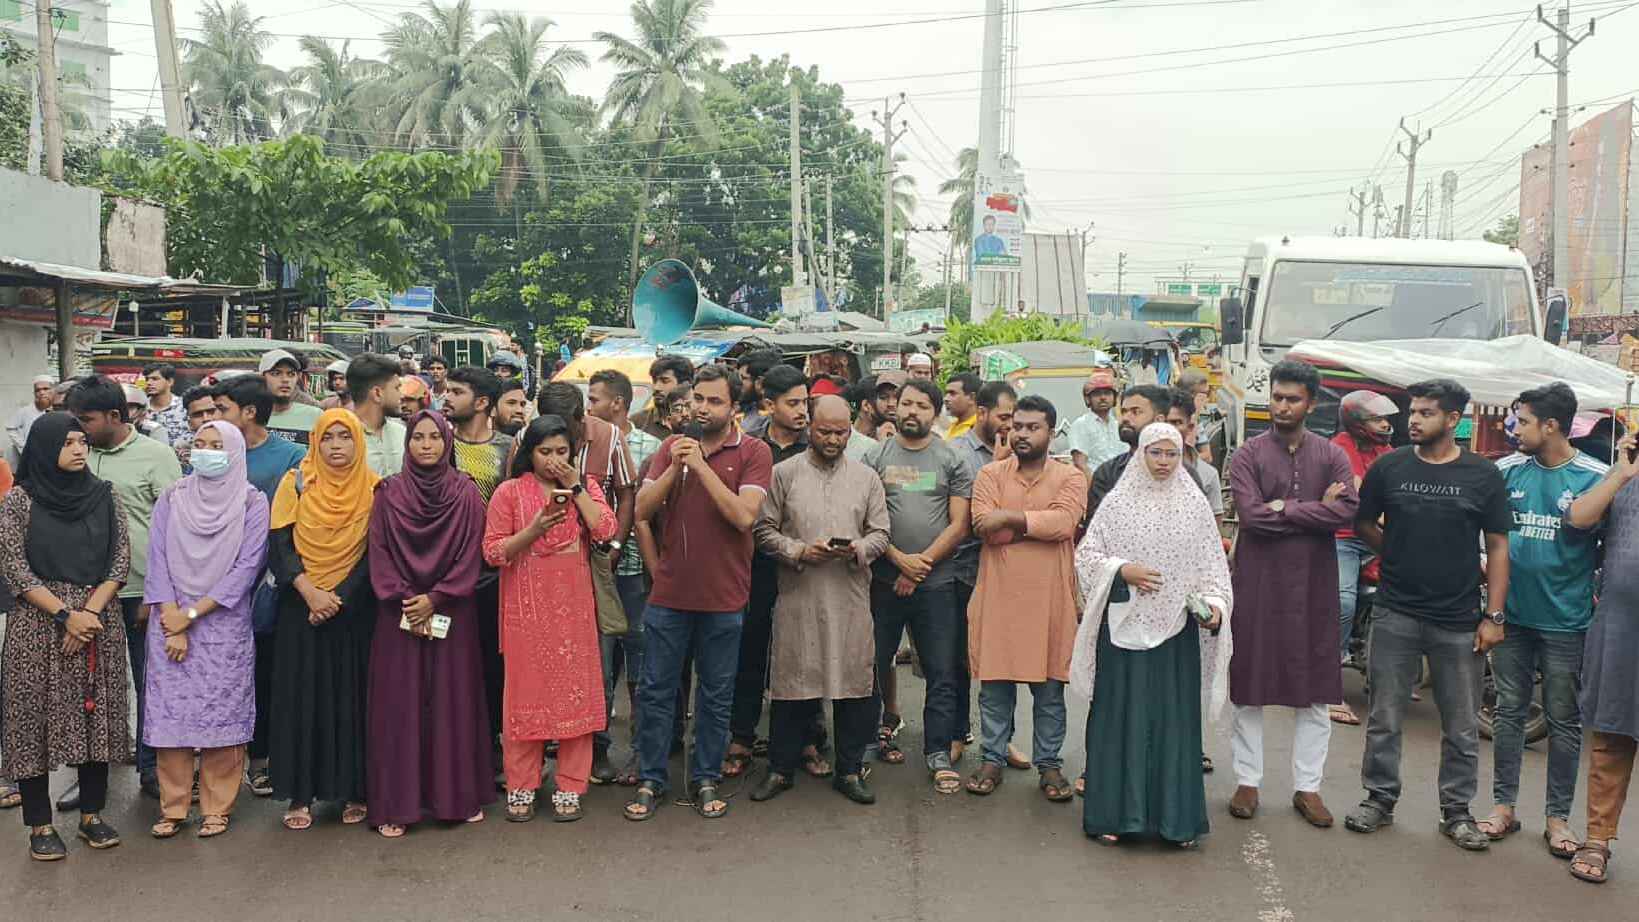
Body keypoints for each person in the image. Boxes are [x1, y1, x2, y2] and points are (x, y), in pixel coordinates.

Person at [1345, 379, 1511, 852]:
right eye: (1411, 411)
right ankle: (1379, 799)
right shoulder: (1390, 467)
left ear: (1453, 419)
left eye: (1424, 413)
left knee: (1460, 725)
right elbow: (1362, 522)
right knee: (1384, 716)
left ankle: (1456, 813)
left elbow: (1498, 547)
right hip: (1396, 610)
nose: (1412, 420)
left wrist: (1494, 616)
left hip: (1459, 619)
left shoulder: (1483, 475)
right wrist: (1393, 552)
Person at [1072, 422, 1231, 847]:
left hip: (1176, 634)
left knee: (1173, 724)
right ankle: (1113, 815)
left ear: (1182, 456)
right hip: (1122, 629)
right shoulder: (1118, 503)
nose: (1163, 462)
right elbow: (1086, 556)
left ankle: (1175, 822)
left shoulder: (1194, 507)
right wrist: (1122, 570)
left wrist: (1213, 608)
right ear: (1140, 453)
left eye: (1171, 454)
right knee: (1118, 719)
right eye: (1155, 453)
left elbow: (1213, 568)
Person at [627, 364, 773, 822]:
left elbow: (743, 517)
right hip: (669, 595)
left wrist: (702, 468)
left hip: (725, 597)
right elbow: (643, 512)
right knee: (656, 690)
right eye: (699, 400)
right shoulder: (671, 448)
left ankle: (706, 776)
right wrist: (675, 467)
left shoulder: (754, 452)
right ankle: (652, 777)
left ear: (734, 408)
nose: (703, 409)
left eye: (715, 401)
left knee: (715, 694)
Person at [1225, 360, 1357, 829]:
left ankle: (1309, 787)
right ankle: (1247, 780)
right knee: (1250, 687)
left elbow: (1345, 512)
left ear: (1311, 403)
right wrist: (1312, 509)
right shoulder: (1248, 454)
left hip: (1313, 587)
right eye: (1277, 397)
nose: (1282, 407)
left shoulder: (1332, 455)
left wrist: (1285, 506)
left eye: (1292, 399)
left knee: (1315, 692)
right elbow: (1251, 517)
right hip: (1259, 583)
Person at [1483, 383, 1611, 856]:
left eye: (1524, 420)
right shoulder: (1506, 471)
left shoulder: (1596, 477)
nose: (1514, 428)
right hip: (1511, 617)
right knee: (1509, 712)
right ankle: (1503, 807)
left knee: (1564, 721)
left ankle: (1558, 818)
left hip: (1567, 622)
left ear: (1552, 425)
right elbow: (1488, 533)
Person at [0, 413, 131, 860]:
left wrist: (87, 614)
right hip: (38, 625)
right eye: (68, 442)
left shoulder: (104, 495)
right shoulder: (19, 501)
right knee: (32, 721)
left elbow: (119, 560)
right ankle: (39, 824)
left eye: (82, 441)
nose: (79, 449)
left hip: (97, 619)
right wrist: (64, 616)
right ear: (43, 448)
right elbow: (15, 568)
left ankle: (91, 815)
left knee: (94, 716)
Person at [750, 394, 891, 805]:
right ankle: (780, 769)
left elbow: (881, 532)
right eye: (825, 431)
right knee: (793, 685)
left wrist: (859, 549)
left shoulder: (867, 478)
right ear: (809, 427)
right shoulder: (784, 474)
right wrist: (798, 551)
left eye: (841, 432)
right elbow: (763, 530)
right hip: (799, 594)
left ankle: (848, 771)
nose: (832, 440)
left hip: (849, 596)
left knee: (852, 686)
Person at [366, 411, 493, 837]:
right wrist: (408, 600)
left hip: (451, 613)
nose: (425, 445)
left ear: (447, 442)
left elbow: (471, 556)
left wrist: (436, 598)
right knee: (399, 708)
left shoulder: (466, 493)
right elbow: (379, 552)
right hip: (397, 612)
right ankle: (397, 805)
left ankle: (454, 798)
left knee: (451, 705)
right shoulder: (388, 494)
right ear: (407, 444)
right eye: (417, 437)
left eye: (434, 437)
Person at [484, 415, 616, 822]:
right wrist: (534, 529)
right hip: (526, 610)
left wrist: (577, 489)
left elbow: (607, 530)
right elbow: (493, 552)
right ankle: (522, 783)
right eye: (545, 452)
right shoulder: (509, 492)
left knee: (575, 692)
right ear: (529, 453)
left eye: (562, 451)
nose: (554, 460)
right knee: (525, 696)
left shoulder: (585, 488)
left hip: (573, 609)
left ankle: (570, 784)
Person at [141, 421, 269, 841]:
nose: (206, 451)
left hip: (223, 623)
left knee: (222, 717)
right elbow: (156, 562)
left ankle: (217, 807)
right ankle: (174, 806)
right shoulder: (172, 497)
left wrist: (192, 614)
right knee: (171, 718)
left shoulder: (251, 502)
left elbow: (246, 570)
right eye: (199, 444)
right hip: (170, 622)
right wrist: (172, 620)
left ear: (233, 451)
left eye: (217, 445)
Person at [963, 395, 1087, 802]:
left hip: (1050, 599)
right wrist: (1034, 525)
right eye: (1017, 426)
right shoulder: (989, 475)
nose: (1022, 434)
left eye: (1032, 427)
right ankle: (992, 758)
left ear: (1051, 433)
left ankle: (1049, 765)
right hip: (999, 594)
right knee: (995, 686)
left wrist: (1012, 519)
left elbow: (1065, 523)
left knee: (1050, 689)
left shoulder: (1070, 477)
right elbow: (983, 525)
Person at [68, 376, 183, 803]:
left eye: (87, 420)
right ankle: (88, 780)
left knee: (147, 682)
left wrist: (159, 595)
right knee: (88, 688)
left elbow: (174, 531)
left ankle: (151, 770)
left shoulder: (157, 457)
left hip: (140, 592)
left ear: (115, 416)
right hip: (84, 595)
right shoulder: (76, 456)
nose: (79, 430)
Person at [267, 409, 380, 831]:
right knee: (302, 698)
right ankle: (300, 795)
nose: (336, 446)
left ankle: (353, 789)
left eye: (345, 437)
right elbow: (279, 543)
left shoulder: (373, 487)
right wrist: (310, 592)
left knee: (351, 697)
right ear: (315, 441)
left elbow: (375, 552)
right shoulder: (294, 483)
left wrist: (340, 597)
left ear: (358, 441)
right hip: (302, 606)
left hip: (353, 609)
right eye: (328, 437)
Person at [860, 378, 972, 794]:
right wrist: (898, 561)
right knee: (872, 663)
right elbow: (866, 519)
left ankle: (938, 750)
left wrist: (919, 567)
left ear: (935, 413)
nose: (911, 411)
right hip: (883, 580)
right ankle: (867, 741)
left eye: (921, 405)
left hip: (937, 584)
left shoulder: (951, 458)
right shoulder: (875, 457)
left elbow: (960, 524)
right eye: (906, 403)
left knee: (942, 670)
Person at [725, 365, 822, 779]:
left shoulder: (816, 448)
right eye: (794, 403)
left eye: (806, 403)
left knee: (805, 653)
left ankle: (809, 738)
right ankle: (741, 735)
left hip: (808, 565)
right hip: (756, 566)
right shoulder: (749, 448)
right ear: (768, 406)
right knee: (751, 651)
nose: (803, 412)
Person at [213, 375, 304, 797]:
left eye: (223, 409)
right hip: (219, 585)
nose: (215, 419)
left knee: (270, 674)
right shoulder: (214, 456)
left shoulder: (291, 457)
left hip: (274, 583)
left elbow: (291, 526)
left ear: (249, 412)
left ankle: (265, 758)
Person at [587, 369, 663, 786]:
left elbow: (652, 513)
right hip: (598, 575)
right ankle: (598, 751)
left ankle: (640, 753)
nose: (589, 407)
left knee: (641, 669)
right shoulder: (583, 443)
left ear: (617, 403)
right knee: (598, 668)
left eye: (595, 399)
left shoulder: (649, 448)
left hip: (635, 575)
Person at [1573, 429, 1639, 884]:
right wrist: (1622, 471)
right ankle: (1597, 839)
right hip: (1621, 627)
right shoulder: (1620, 480)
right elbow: (1578, 519)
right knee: (1612, 735)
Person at [950, 381, 1018, 763]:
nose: (1011, 426)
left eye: (1015, 418)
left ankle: (1003, 739)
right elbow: (975, 518)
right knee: (958, 657)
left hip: (1006, 569)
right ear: (983, 413)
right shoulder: (957, 453)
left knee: (1005, 658)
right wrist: (996, 470)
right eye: (1005, 417)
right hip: (963, 568)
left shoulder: (1021, 455)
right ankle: (957, 733)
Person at [1330, 390, 1398, 725]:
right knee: (1343, 602)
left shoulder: (1386, 451)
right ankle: (1329, 679)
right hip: (1344, 539)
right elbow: (1359, 493)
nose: (1386, 424)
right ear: (1357, 421)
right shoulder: (1340, 447)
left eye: (1386, 418)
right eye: (1377, 418)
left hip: (1380, 538)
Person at [1085, 385, 1201, 524]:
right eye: (1124, 411)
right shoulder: (1108, 473)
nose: (1126, 418)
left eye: (1135, 412)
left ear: (1159, 420)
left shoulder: (1185, 475)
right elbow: (1098, 529)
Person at [1166, 390, 1224, 527]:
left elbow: (1213, 532)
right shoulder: (1140, 469)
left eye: (1176, 422)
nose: (1170, 430)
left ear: (1190, 427)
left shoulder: (1207, 475)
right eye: (1166, 422)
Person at [346, 353, 406, 477]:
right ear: (377, 393)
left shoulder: (403, 434)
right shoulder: (341, 439)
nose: (402, 395)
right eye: (397, 388)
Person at [1068, 370, 1125, 478]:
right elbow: (1080, 464)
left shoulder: (1119, 425)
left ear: (1114, 398)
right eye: (1097, 394)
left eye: (1107, 393)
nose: (1103, 397)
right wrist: (1093, 492)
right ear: (1088, 399)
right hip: (1097, 486)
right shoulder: (1081, 425)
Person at [261, 349, 322, 445]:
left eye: (291, 374)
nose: (285, 380)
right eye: (276, 373)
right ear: (262, 377)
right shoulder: (251, 416)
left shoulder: (314, 415)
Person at [635, 355, 694, 440]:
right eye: (654, 381)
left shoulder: (700, 421)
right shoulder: (638, 422)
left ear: (684, 384)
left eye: (665, 381)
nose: (656, 387)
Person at [5, 375, 53, 470]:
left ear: (53, 390)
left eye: (45, 389)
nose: (42, 392)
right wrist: (23, 447)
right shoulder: (25, 411)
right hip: (30, 460)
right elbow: (10, 427)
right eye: (38, 390)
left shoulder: (58, 410)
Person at [171, 385, 222, 473]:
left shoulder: (242, 444)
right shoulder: (181, 451)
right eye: (198, 414)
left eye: (211, 411)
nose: (206, 418)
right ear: (189, 422)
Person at [736, 349, 783, 438]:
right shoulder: (743, 408)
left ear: (760, 383)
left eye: (744, 378)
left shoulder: (778, 420)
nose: (738, 383)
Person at [142, 364, 190, 448]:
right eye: (147, 379)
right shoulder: (140, 408)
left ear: (170, 382)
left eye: (155, 379)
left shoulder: (184, 406)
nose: (149, 383)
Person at [942, 373, 981, 442]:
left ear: (972, 398)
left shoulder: (978, 430)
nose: (945, 398)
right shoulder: (954, 425)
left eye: (952, 393)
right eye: (946, 393)